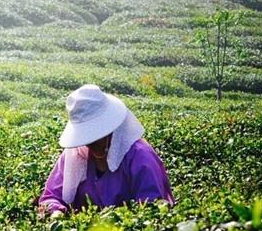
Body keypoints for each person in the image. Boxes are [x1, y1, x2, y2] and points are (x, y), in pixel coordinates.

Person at [37, 84, 174, 218]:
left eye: (95, 135)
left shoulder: (140, 157)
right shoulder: (75, 154)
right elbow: (51, 196)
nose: (90, 142)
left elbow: (152, 209)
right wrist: (55, 212)